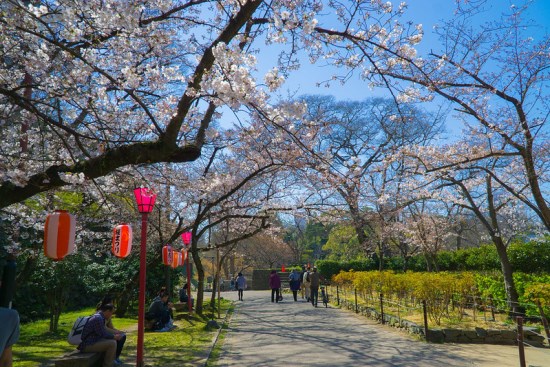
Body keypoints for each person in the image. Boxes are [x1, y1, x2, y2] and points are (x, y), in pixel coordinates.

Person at [96, 296, 126, 365]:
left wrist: (119, 332)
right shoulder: (99, 315)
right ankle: (111, 359)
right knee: (115, 340)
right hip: (100, 335)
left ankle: (115, 357)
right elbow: (104, 329)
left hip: (104, 332)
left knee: (122, 336)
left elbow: (111, 327)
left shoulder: (108, 313)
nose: (113, 305)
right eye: (112, 303)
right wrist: (116, 334)